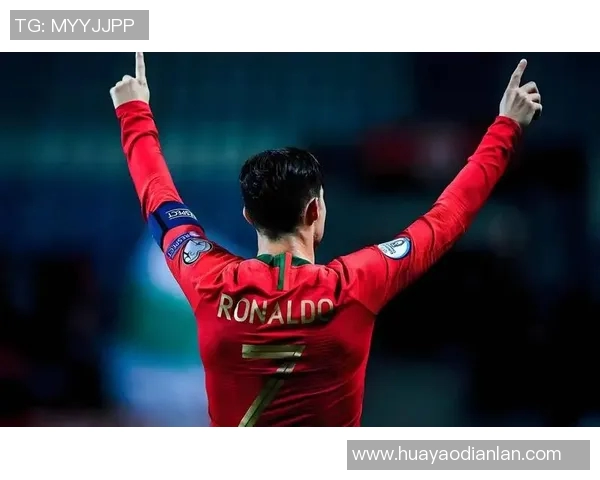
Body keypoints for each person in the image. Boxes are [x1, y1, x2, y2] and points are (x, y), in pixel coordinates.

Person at [110, 53, 542, 427]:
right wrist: (506, 126)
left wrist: (134, 111)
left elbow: (159, 201)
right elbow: (447, 217)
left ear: (248, 216)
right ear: (315, 211)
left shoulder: (208, 279)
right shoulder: (355, 284)